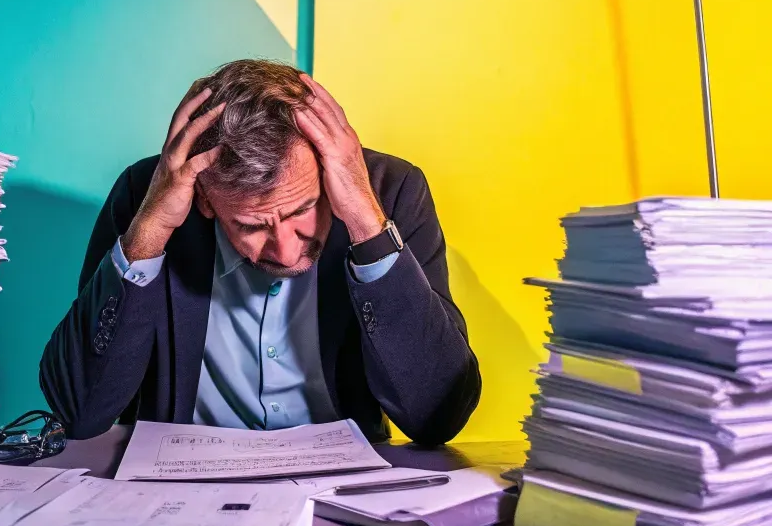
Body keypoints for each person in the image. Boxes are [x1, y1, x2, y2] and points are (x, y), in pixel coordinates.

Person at [40, 60, 480, 446]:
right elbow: (79, 412)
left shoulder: (389, 193)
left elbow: (438, 418)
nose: (287, 252)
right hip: (179, 497)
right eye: (251, 226)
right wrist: (150, 228)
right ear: (205, 200)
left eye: (303, 209)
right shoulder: (149, 195)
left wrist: (368, 225)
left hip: (341, 499)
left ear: (327, 171)